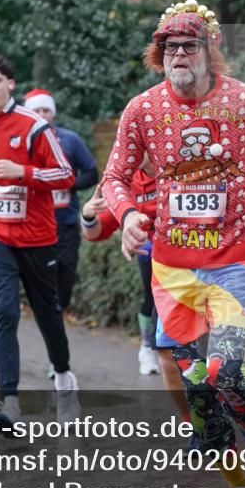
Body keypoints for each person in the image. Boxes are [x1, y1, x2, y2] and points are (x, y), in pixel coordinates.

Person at [101, 0, 245, 488]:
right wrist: (125, 217)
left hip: (235, 261)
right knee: (196, 386)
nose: (178, 56)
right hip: (172, 270)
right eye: (169, 49)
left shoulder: (243, 100)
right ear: (159, 56)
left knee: (226, 370)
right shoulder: (143, 110)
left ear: (209, 51)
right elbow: (115, 178)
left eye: (188, 47)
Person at [0, 55, 78, 429]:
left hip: (38, 236)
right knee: (4, 311)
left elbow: (65, 174)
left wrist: (22, 173)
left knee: (47, 312)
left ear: (11, 84)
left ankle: (62, 376)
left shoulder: (34, 126)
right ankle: (9, 403)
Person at [21, 89, 99, 382]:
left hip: (66, 222)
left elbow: (92, 172)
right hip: (35, 226)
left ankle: (57, 323)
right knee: (46, 290)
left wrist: (68, 184)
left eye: (46, 111)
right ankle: (57, 358)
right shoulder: (24, 141)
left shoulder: (70, 139)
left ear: (52, 113)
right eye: (36, 111)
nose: (41, 116)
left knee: (65, 278)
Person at [80, 155, 179, 378]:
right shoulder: (124, 183)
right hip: (151, 255)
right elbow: (96, 232)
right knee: (152, 300)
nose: (129, 148)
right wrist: (88, 216)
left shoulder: (181, 169)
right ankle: (147, 347)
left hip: (187, 256)